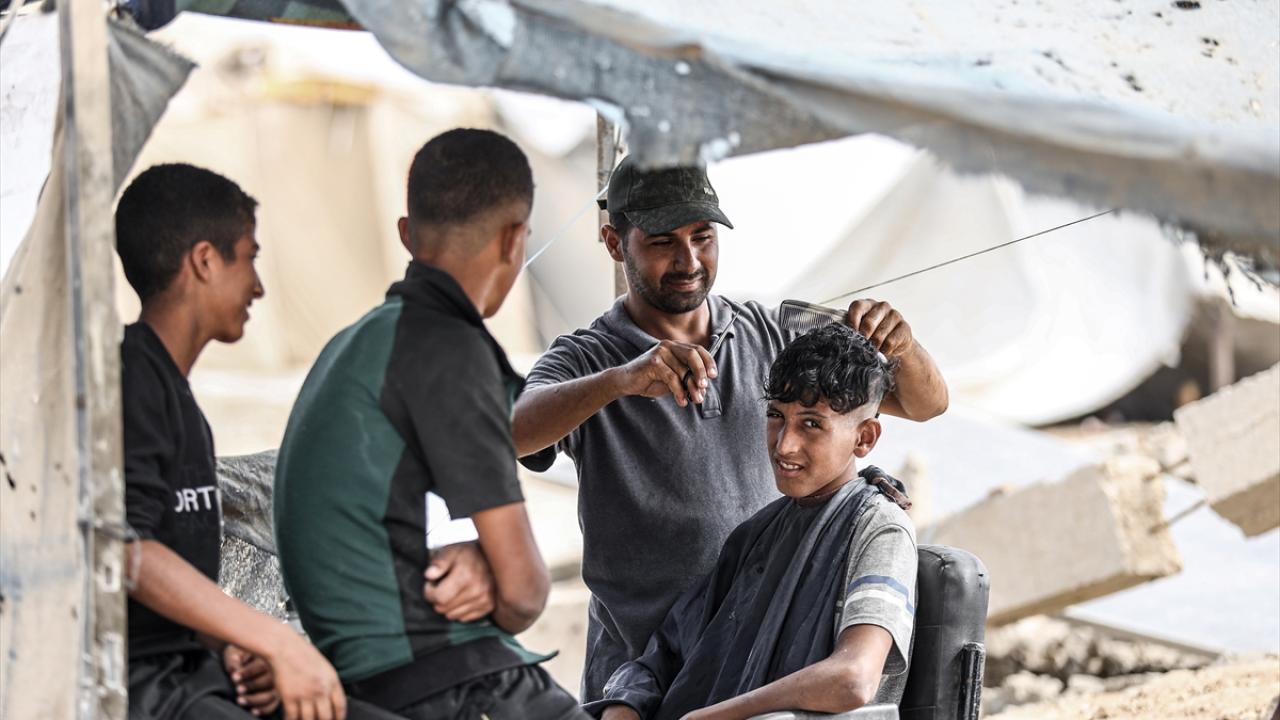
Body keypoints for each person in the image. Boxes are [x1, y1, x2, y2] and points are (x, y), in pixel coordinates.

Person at [511, 157, 947, 699]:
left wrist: (904, 346)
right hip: (638, 679)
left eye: (703, 237)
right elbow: (510, 433)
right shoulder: (587, 359)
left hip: (758, 664)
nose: (689, 260)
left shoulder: (775, 332)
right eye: (663, 242)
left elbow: (927, 404)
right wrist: (621, 381)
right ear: (614, 243)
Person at [273, 129, 589, 720]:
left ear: (405, 234)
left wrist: (483, 557)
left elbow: (499, 438)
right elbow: (525, 593)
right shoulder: (448, 348)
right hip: (440, 679)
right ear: (515, 239)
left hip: (374, 669)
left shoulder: (359, 341)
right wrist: (497, 573)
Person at [587, 324, 918, 720]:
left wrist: (710, 717)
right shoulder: (758, 534)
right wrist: (624, 705)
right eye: (776, 416)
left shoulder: (879, 529)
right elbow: (667, 651)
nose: (784, 445)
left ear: (864, 438)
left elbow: (853, 677)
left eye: (812, 424)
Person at [117, 163, 347, 720]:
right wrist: (274, 639)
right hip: (145, 693)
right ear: (204, 261)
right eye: (249, 257)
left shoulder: (176, 397)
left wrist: (231, 648)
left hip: (193, 677)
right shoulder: (132, 378)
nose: (258, 287)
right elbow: (127, 550)